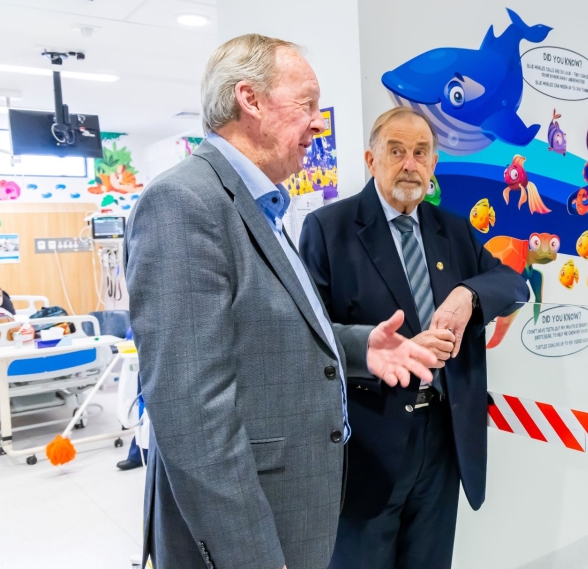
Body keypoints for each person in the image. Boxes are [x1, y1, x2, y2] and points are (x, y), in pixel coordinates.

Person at [125, 35, 437, 569]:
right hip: (245, 536)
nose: (319, 122)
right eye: (307, 103)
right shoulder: (185, 202)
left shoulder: (258, 204)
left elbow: (269, 331)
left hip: (291, 513)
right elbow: (192, 416)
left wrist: (363, 348)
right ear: (250, 100)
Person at [299, 107, 528, 569]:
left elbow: (512, 283)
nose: (410, 164)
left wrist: (468, 294)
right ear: (371, 159)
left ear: (434, 163)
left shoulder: (454, 230)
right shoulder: (329, 229)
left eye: (421, 153)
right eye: (396, 151)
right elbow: (308, 336)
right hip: (368, 444)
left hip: (443, 440)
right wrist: (377, 347)